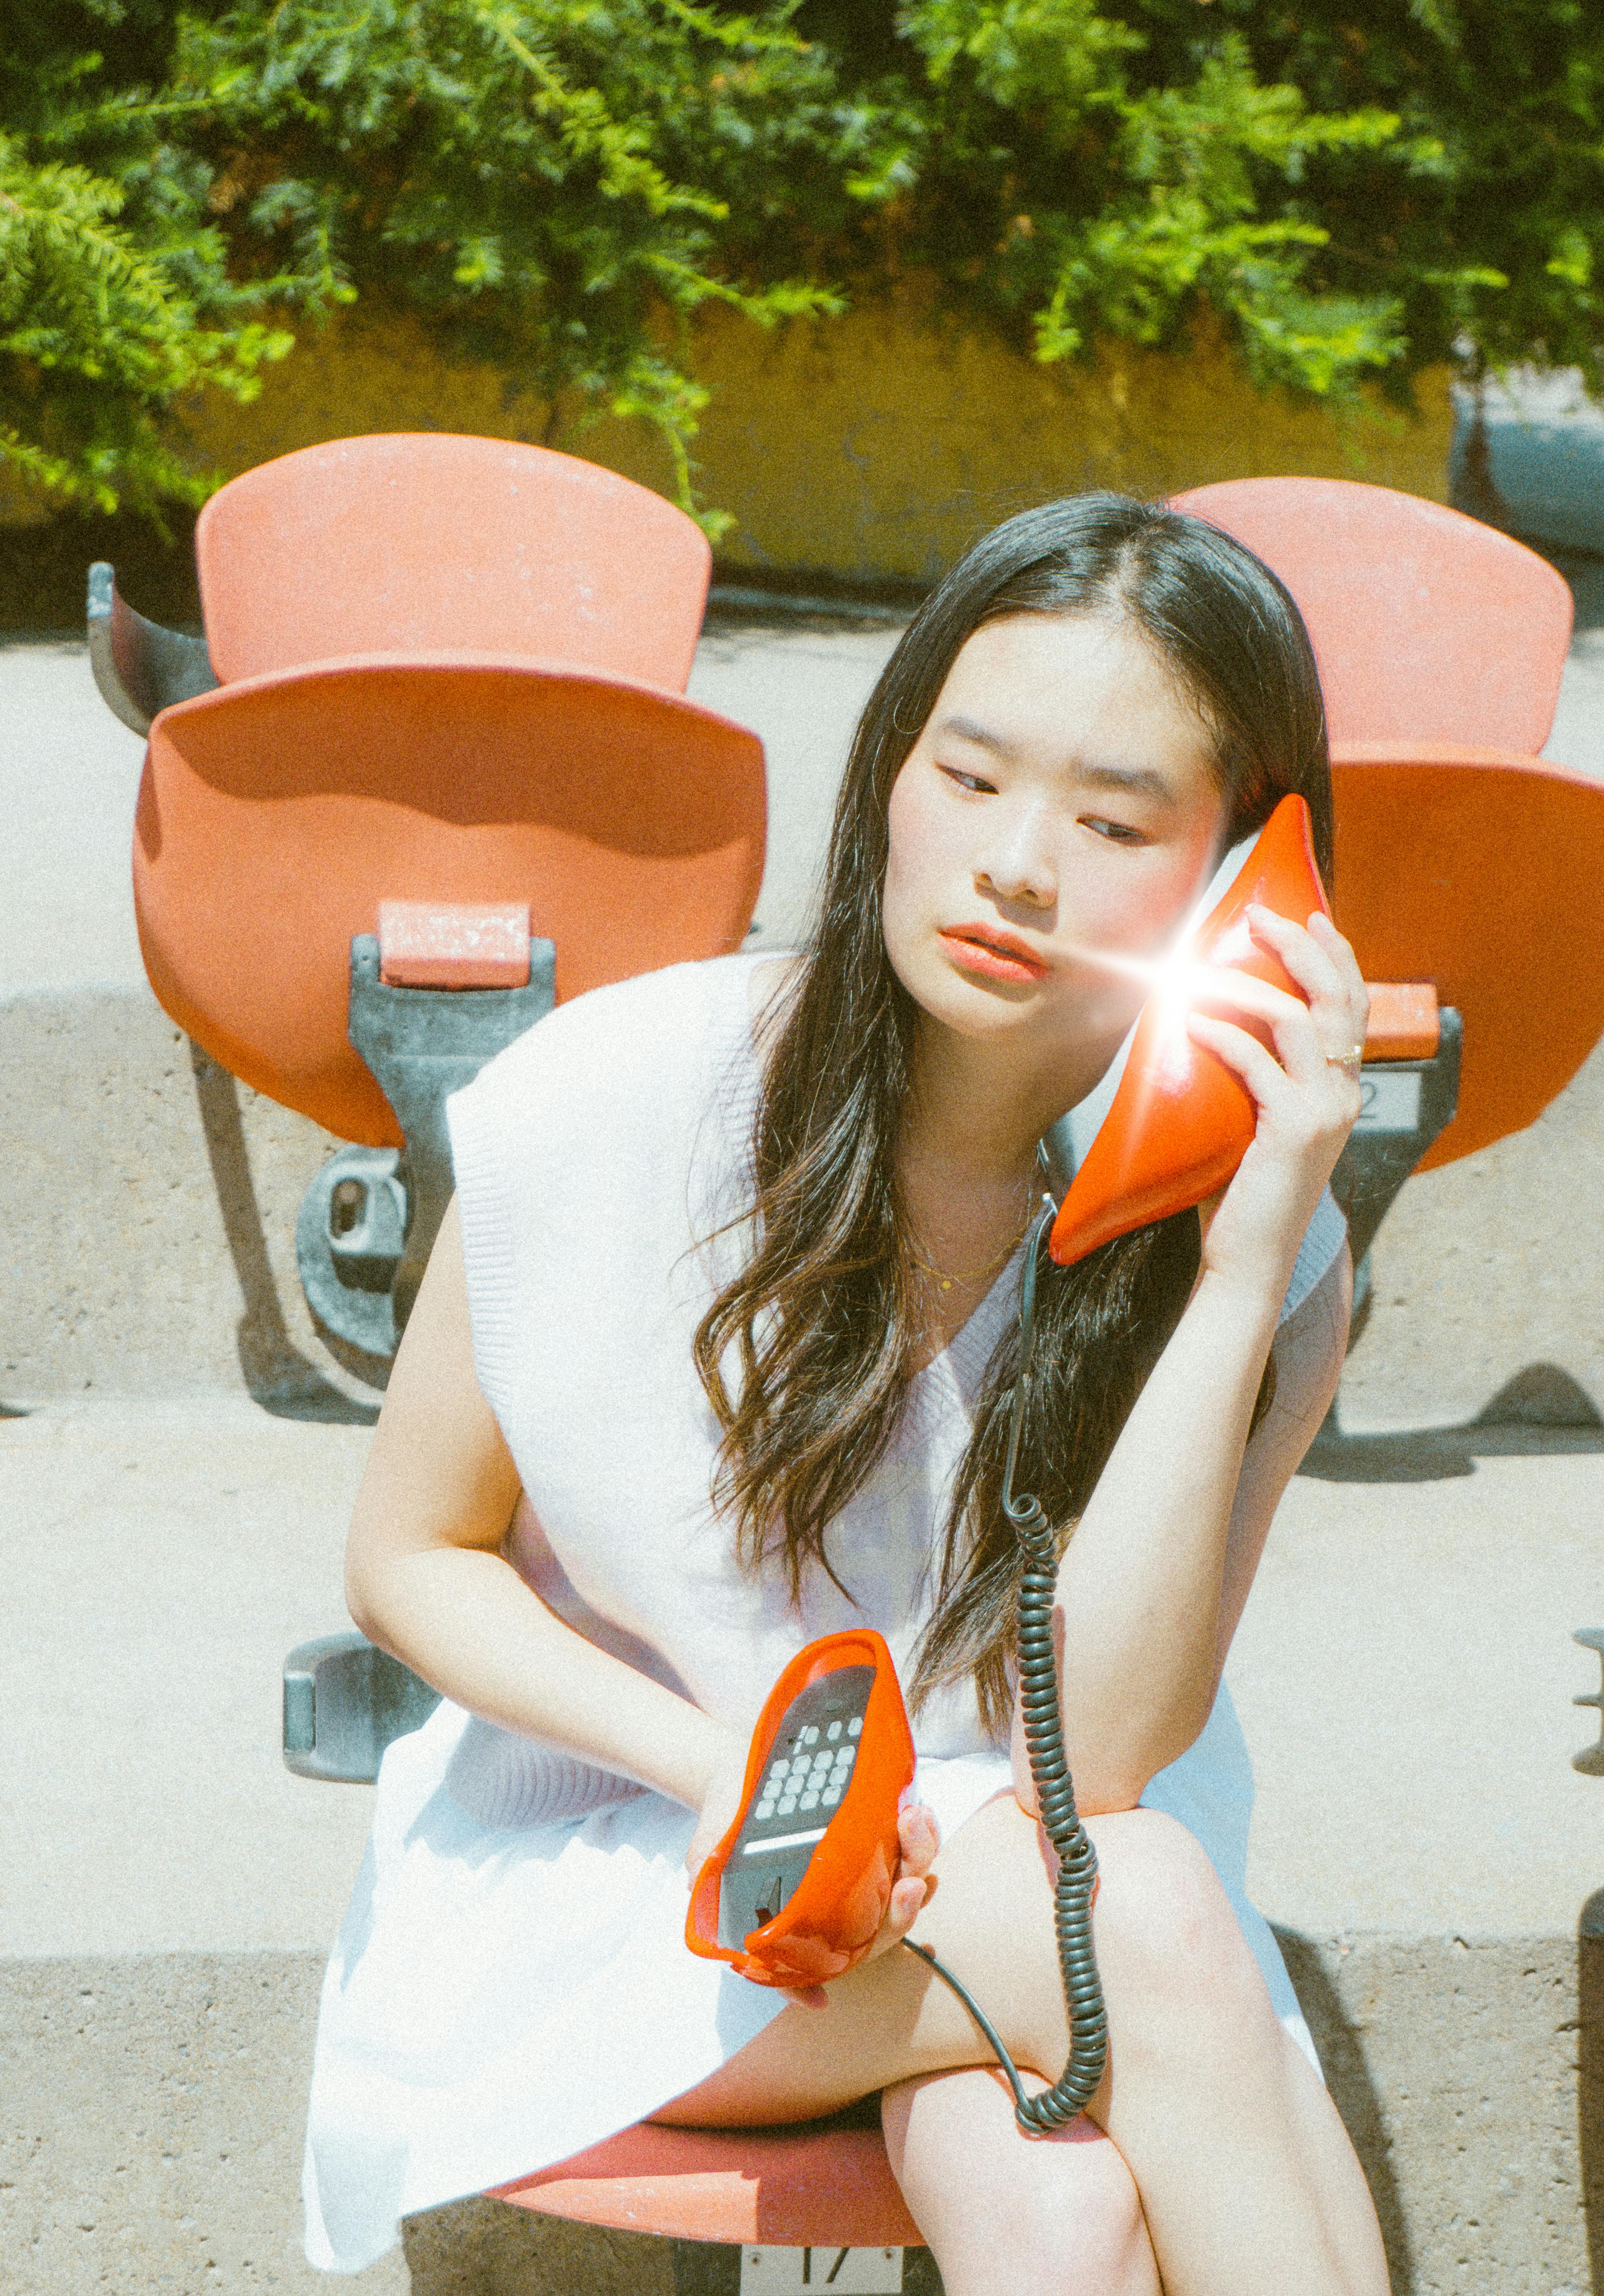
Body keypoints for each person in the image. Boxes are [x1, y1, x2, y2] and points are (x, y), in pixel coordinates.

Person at [302, 493, 1391, 2294]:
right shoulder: (617, 1096)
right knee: (1149, 1924)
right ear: (890, 769)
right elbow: (407, 1556)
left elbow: (1101, 1758)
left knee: (1059, 2207)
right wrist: (724, 1767)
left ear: (1242, 886)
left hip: (1021, 1882)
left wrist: (1242, 1265)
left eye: (1114, 822)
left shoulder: (1268, 1251)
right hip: (634, 1871)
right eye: (967, 777)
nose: (1016, 864)